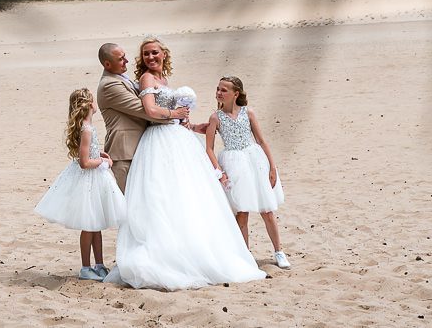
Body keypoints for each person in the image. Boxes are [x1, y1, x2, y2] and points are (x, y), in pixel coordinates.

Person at [103, 38, 267, 290]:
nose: (150, 57)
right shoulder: (146, 79)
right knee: (162, 196)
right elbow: (149, 110)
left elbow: (170, 114)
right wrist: (174, 115)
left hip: (177, 137)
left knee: (185, 194)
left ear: (164, 54)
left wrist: (190, 125)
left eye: (155, 52)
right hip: (158, 141)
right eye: (146, 54)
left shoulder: (163, 80)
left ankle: (191, 249)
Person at [33, 88, 126, 280]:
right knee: (89, 224)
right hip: (89, 180)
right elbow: (84, 163)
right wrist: (103, 162)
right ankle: (85, 267)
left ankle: (99, 264)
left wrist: (99, 154)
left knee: (97, 224)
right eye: (93, 100)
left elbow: (88, 151)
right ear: (90, 104)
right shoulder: (86, 128)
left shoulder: (88, 126)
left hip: (95, 178)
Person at [204, 75, 290, 270]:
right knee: (242, 213)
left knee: (267, 210)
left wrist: (272, 166)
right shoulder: (215, 118)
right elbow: (209, 148)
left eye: (224, 90)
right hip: (233, 165)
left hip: (255, 162)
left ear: (236, 94)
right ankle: (246, 255)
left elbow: (261, 140)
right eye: (218, 89)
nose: (219, 93)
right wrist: (220, 172)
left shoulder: (248, 113)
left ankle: (279, 251)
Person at [95, 41, 187, 193]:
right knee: (132, 200)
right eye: (120, 59)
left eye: (125, 56)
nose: (126, 61)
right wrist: (176, 116)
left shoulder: (123, 78)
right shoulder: (109, 85)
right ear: (107, 64)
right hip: (125, 152)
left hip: (141, 147)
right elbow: (144, 110)